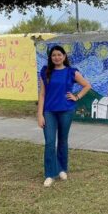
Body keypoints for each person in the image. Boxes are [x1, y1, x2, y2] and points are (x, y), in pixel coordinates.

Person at [37, 45, 91, 187]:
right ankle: (50, 174)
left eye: (59, 55)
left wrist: (76, 96)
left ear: (64, 56)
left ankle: (62, 168)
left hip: (66, 111)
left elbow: (87, 85)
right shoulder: (45, 72)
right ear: (50, 57)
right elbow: (42, 94)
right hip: (49, 111)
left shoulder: (71, 72)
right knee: (49, 142)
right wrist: (39, 114)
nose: (56, 57)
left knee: (62, 140)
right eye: (53, 55)